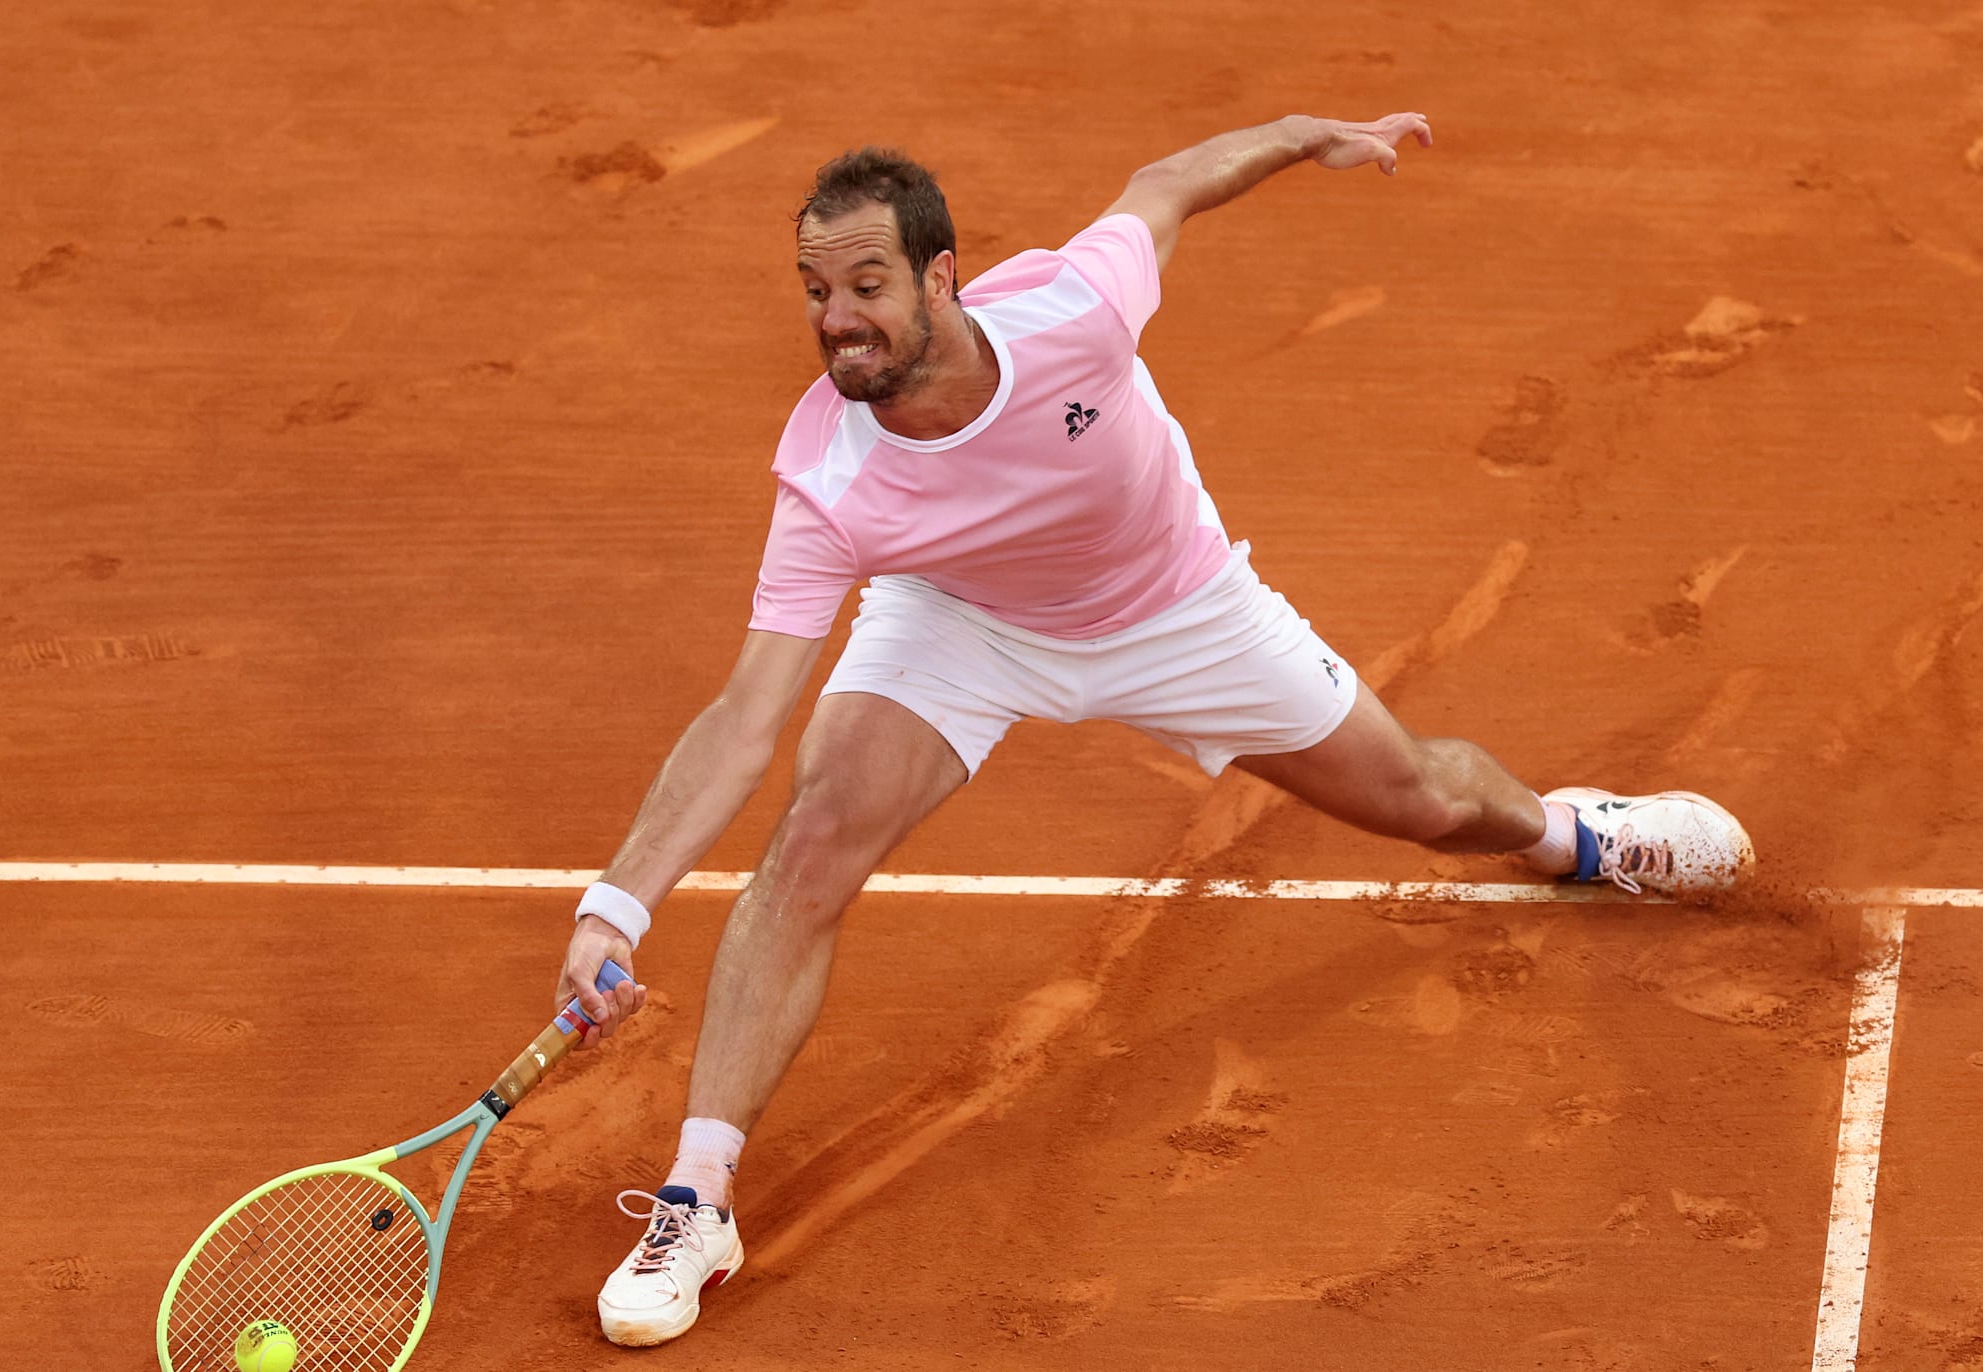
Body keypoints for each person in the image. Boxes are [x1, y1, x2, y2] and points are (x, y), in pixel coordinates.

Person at [554, 112, 1754, 1347]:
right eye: (815, 290)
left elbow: (1166, 183)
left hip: (1174, 606)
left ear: (939, 278)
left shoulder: (1073, 312)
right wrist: (616, 904)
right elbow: (744, 716)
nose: (836, 318)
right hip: (963, 621)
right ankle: (697, 1200)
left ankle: (1572, 835)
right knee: (810, 845)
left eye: (867, 285)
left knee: (1425, 803)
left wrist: (1305, 136)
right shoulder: (829, 474)